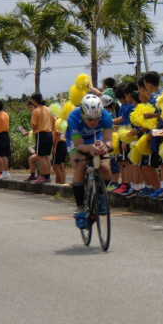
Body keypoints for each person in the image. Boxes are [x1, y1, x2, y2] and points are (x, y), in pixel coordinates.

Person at [67, 94, 113, 229]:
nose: (93, 122)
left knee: (105, 165)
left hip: (96, 137)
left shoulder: (106, 116)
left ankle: (100, 195)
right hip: (77, 140)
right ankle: (80, 208)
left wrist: (105, 146)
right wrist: (89, 149)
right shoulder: (73, 118)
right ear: (82, 114)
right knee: (80, 165)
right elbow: (80, 146)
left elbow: (109, 141)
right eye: (89, 119)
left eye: (96, 118)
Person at [31, 93, 54, 184]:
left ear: (35, 101)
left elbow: (34, 125)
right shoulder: (48, 109)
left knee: (41, 156)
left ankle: (43, 176)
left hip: (41, 134)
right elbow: (54, 121)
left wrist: (34, 132)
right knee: (46, 156)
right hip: (49, 133)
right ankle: (47, 175)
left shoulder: (36, 111)